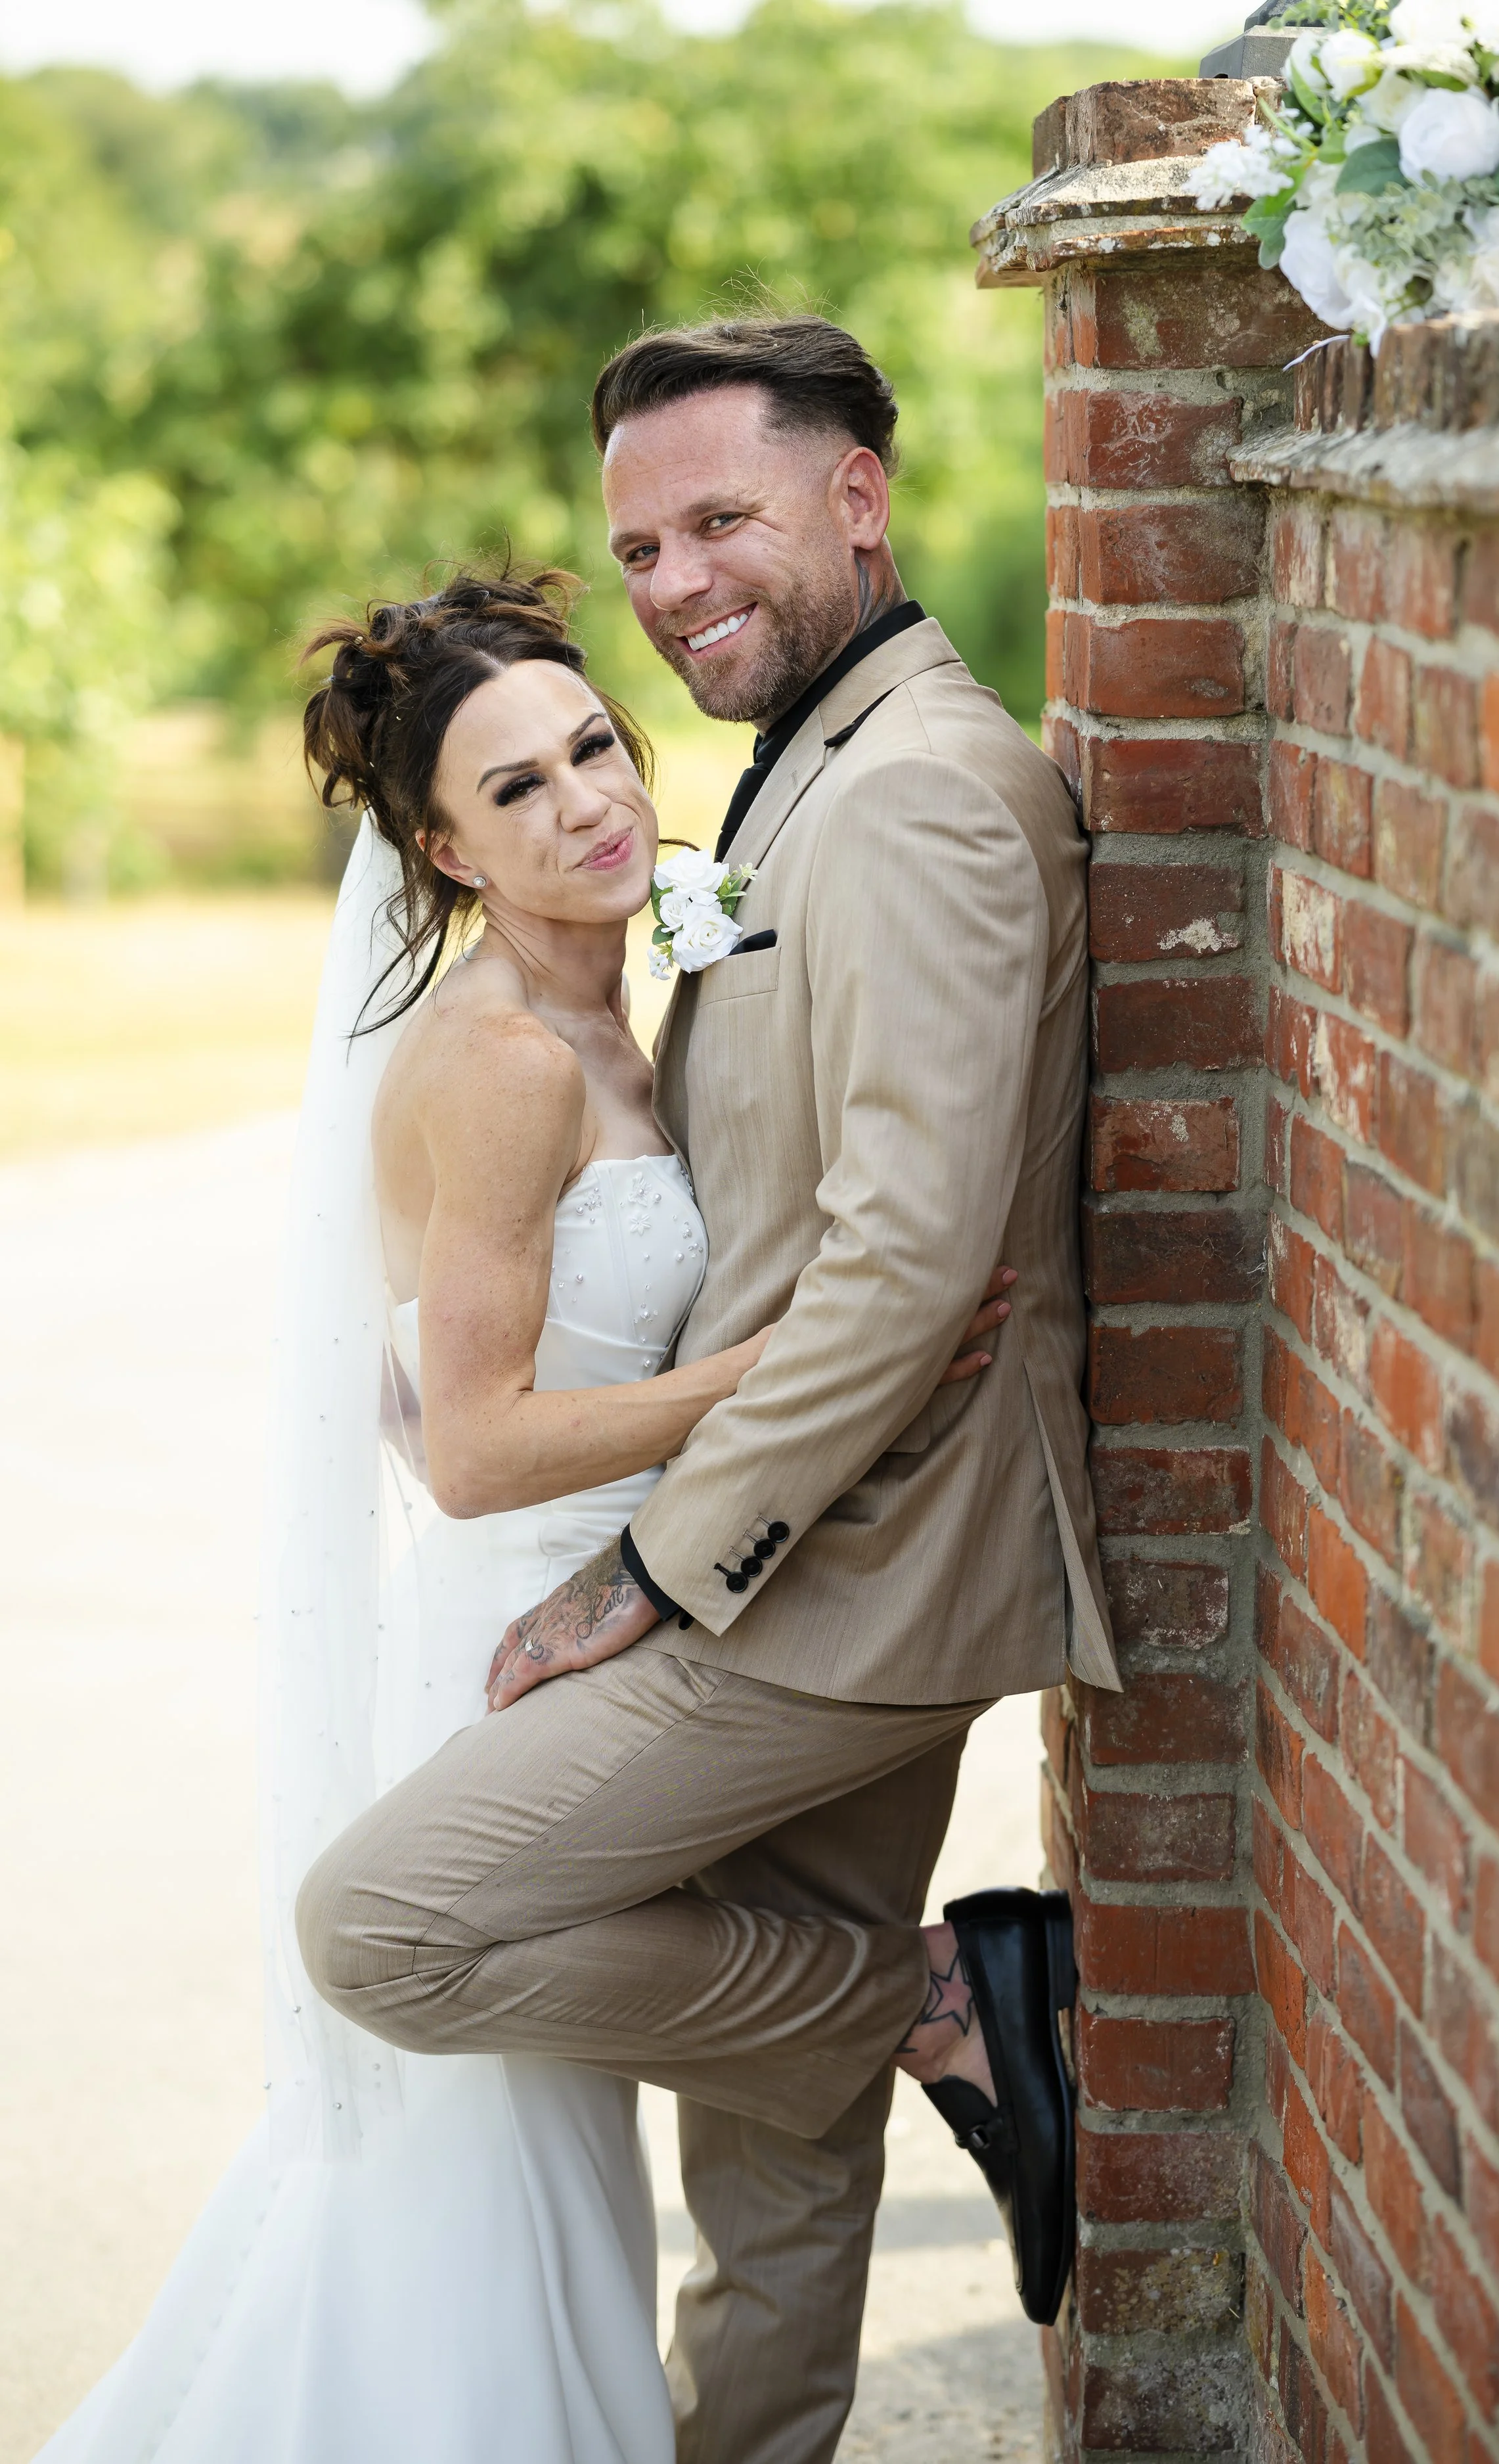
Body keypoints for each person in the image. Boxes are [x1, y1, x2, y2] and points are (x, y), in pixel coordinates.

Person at [32, 566, 1017, 2464]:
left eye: (591, 744)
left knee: (571, 2154)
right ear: (440, 847)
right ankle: (912, 1997)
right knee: (495, 2168)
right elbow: (476, 1449)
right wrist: (791, 1365)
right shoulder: (498, 1061)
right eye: (515, 789)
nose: (585, 800)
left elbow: (423, 1377)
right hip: (521, 1643)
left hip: (668, 1603)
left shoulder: (636, 998)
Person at [298, 317, 1121, 2464]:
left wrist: (657, 1570)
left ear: (859, 491)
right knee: (772, 2173)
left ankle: (947, 2000)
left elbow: (911, 1256)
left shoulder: (923, 791)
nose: (670, 584)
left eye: (718, 521)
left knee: (385, 1928)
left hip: (835, 1566)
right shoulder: (806, 775)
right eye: (638, 544)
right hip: (796, 1525)